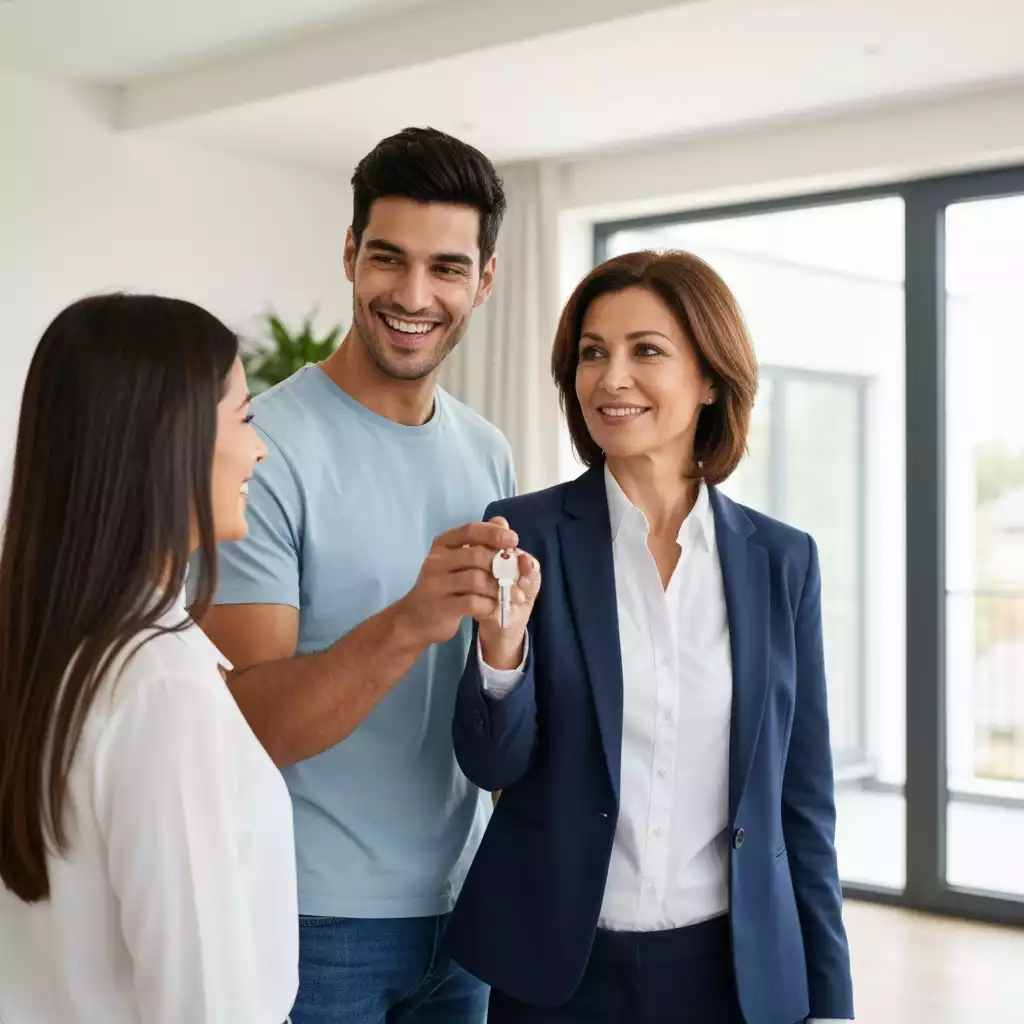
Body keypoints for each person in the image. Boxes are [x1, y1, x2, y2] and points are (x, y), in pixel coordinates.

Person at [443, 251, 856, 1024]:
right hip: (558, 971)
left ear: (709, 379)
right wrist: (501, 650)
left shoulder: (781, 559)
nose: (610, 377)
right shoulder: (524, 532)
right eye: (592, 353)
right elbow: (489, 761)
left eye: (647, 350)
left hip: (730, 973)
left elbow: (801, 802)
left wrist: (830, 1002)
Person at [196, 127, 514, 1024]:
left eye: (447, 268)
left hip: (465, 915)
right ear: (349, 255)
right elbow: (248, 723)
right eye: (388, 259)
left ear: (485, 281)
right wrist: (412, 618)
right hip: (312, 919)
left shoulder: (487, 451)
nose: (414, 296)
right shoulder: (265, 449)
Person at [0, 294, 297, 1024]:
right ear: (173, 436)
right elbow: (204, 1007)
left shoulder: (46, 647)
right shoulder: (160, 682)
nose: (260, 450)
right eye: (246, 418)